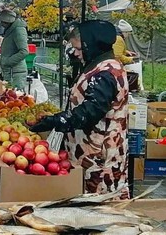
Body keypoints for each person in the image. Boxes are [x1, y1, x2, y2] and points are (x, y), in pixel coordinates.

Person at [31, 20, 129, 198]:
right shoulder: (98, 65)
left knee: (100, 203)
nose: (75, 53)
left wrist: (56, 121)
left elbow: (89, 112)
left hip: (100, 157)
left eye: (78, 48)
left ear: (92, 45)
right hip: (88, 153)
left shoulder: (106, 73)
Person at [0, 9, 29, 90]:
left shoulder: (18, 31)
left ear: (8, 22)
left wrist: (7, 61)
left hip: (16, 73)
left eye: (3, 22)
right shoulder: (11, 29)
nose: (1, 24)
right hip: (10, 71)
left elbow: (24, 52)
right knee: (8, 94)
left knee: (16, 95)